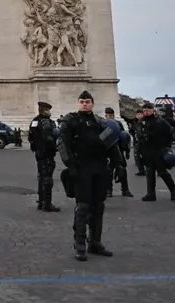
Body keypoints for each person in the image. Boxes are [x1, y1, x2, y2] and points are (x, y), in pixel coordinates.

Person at [58, 90, 125, 261]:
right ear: (78, 103)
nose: (85, 104)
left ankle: (95, 242)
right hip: (82, 167)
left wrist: (119, 164)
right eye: (82, 101)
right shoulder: (70, 121)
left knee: (99, 206)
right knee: (83, 206)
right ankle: (79, 243)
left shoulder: (101, 123)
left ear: (93, 104)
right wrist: (70, 165)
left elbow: (111, 144)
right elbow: (63, 144)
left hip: (100, 167)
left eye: (87, 101)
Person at [137, 102, 175, 202]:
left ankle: (174, 192)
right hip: (147, 150)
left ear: (152, 110)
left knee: (162, 172)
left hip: (158, 149)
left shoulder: (160, 121)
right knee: (149, 173)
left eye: (148, 110)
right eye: (144, 110)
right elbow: (140, 137)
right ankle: (150, 194)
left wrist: (166, 145)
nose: (146, 112)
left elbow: (170, 132)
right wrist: (140, 152)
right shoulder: (141, 122)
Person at [27, 101, 60, 211]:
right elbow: (49, 139)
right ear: (45, 110)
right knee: (47, 179)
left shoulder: (34, 121)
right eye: (48, 110)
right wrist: (55, 147)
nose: (49, 112)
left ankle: (41, 202)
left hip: (38, 153)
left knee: (41, 177)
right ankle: (47, 204)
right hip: (47, 153)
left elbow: (30, 137)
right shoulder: (46, 122)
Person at [103, 108, 133, 198]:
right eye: (109, 115)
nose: (110, 117)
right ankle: (108, 190)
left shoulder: (118, 124)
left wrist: (127, 151)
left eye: (112, 115)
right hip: (109, 151)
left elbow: (124, 136)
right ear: (105, 116)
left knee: (122, 170)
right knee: (109, 171)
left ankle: (125, 190)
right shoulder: (104, 125)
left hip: (119, 150)